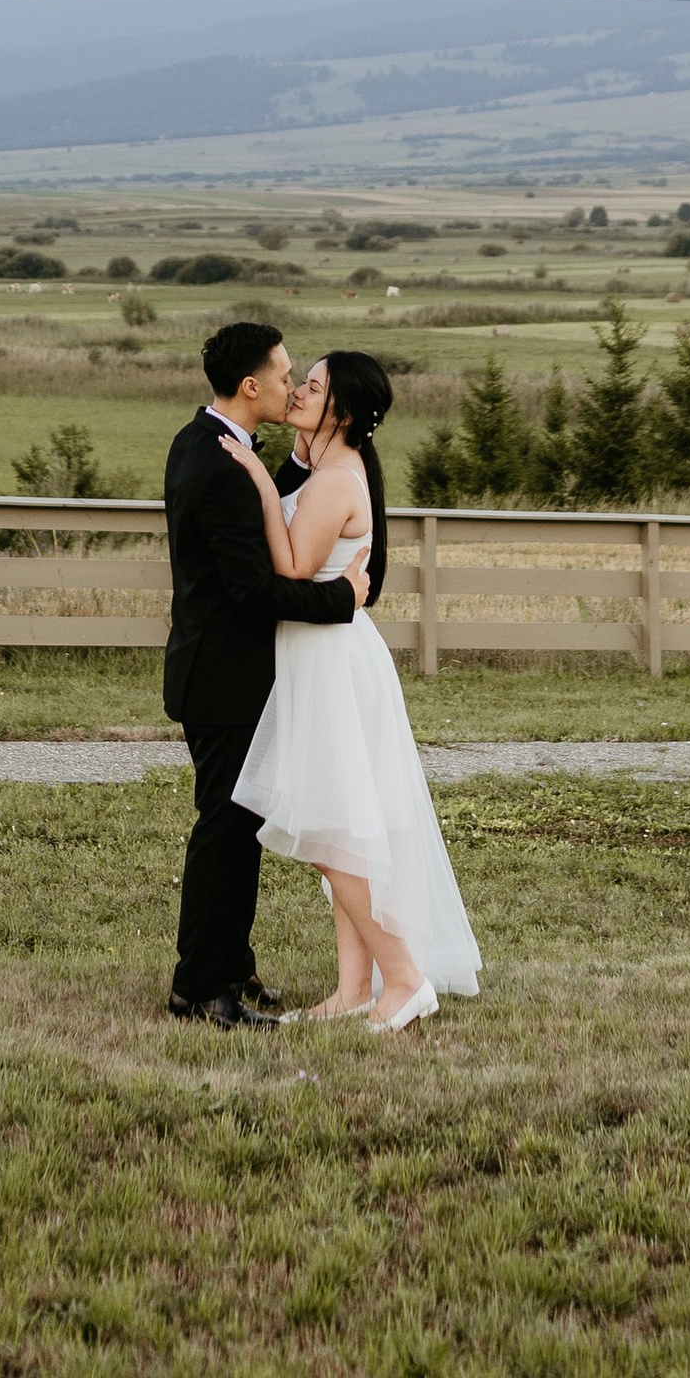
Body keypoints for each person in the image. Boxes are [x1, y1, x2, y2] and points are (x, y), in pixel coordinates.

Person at [226, 349, 482, 1031]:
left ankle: (403, 979)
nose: (298, 392)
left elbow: (292, 567)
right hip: (322, 654)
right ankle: (351, 989)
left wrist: (258, 480)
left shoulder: (336, 481)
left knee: (330, 836)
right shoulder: (328, 468)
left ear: (340, 411)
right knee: (339, 830)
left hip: (329, 662)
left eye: (312, 387)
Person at [161, 320, 359, 1026]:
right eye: (283, 375)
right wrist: (341, 599)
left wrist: (297, 468)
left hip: (219, 670)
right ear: (250, 386)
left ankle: (232, 964)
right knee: (224, 830)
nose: (292, 384)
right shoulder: (221, 466)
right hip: (223, 679)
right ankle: (199, 987)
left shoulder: (203, 442)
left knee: (242, 827)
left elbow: (257, 527)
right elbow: (252, 589)